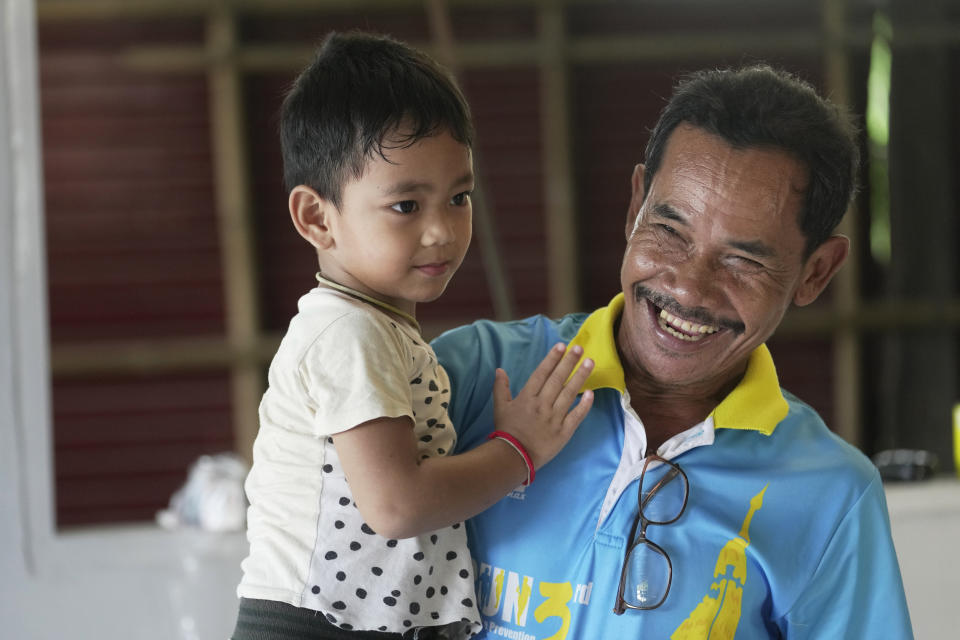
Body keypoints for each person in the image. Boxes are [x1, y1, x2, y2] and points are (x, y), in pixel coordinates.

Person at [433, 65, 913, 638]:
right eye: (670, 229)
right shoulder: (471, 378)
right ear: (635, 205)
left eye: (744, 260)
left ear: (815, 272)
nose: (688, 287)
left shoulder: (831, 496)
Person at [232, 32, 595, 640]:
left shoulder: (374, 328)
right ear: (317, 218)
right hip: (311, 625)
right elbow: (397, 504)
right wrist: (519, 450)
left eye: (458, 197)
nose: (442, 232)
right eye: (406, 206)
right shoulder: (349, 332)